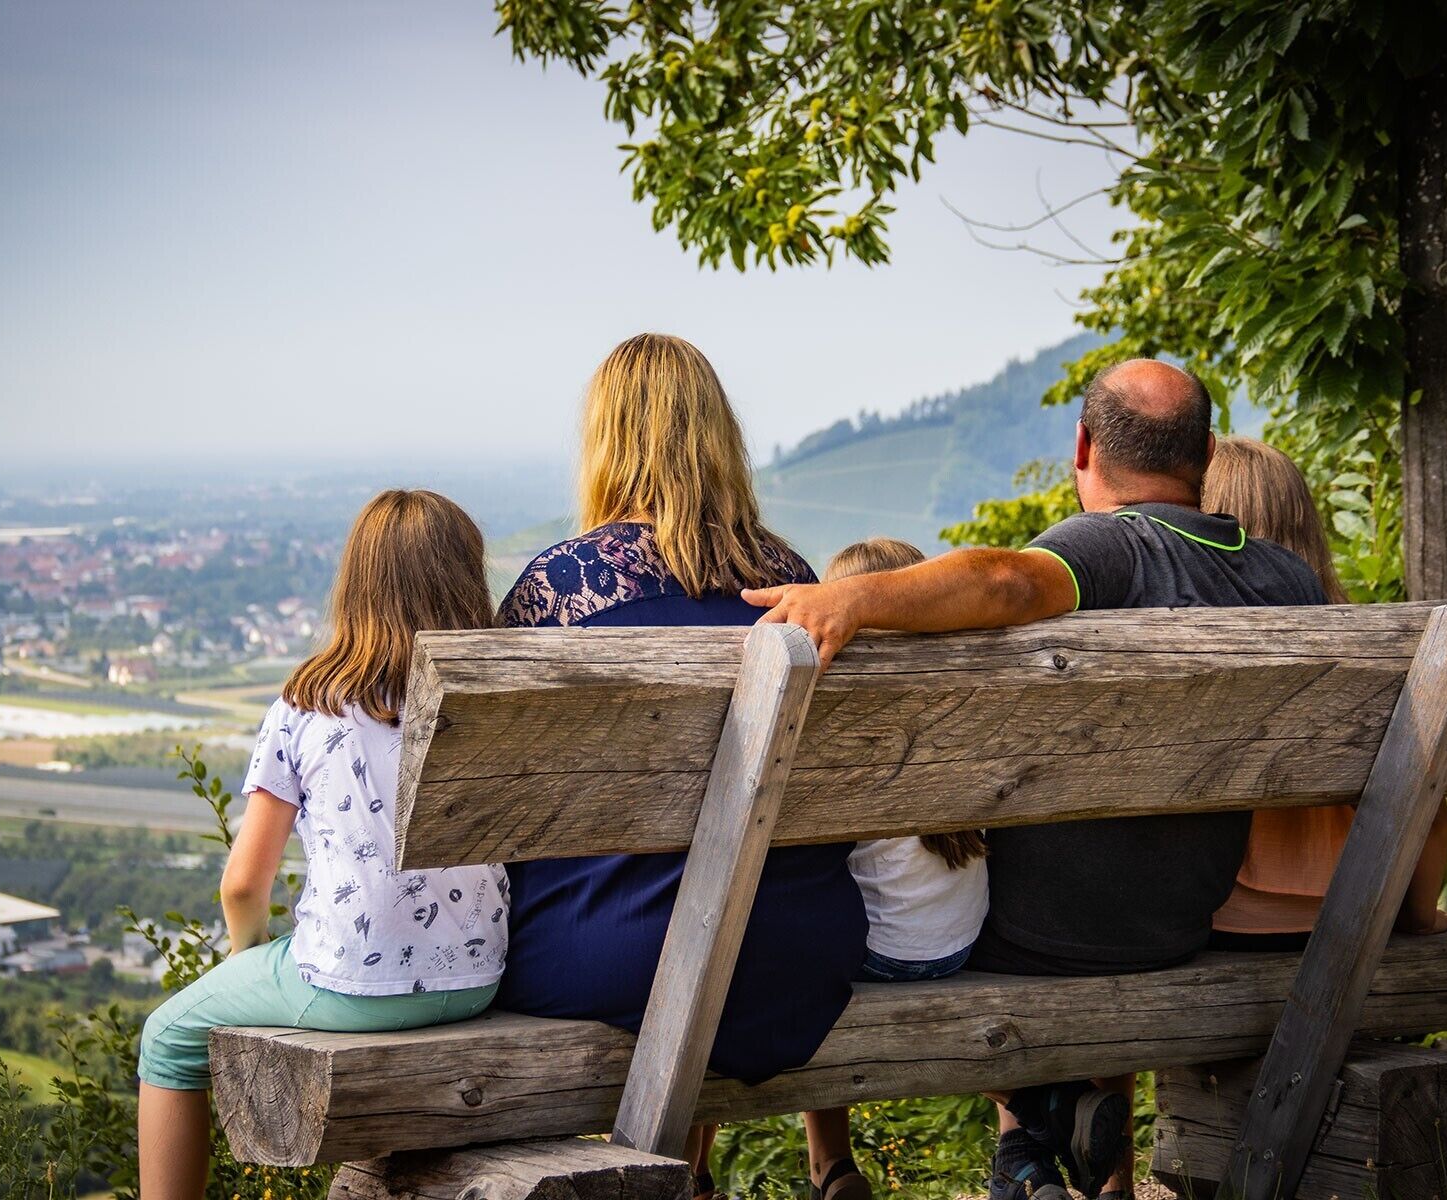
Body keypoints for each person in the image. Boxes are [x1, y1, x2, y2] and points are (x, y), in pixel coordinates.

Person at [743, 359, 1330, 1200]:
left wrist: (856, 601)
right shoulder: (1289, 580)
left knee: (929, 887)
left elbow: (1007, 579)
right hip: (1176, 923)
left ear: (1084, 446)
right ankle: (1048, 1132)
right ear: (1204, 454)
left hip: (1036, 933)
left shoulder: (1116, 545)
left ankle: (1031, 1129)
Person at [495, 333, 868, 1200]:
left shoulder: (558, 591)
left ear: (607, 442)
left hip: (620, 960)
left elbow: (500, 817)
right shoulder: (793, 584)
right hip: (795, 954)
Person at [136, 490, 508, 1200]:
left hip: (348, 983)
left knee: (165, 1039)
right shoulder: (490, 695)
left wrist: (250, 963)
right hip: (476, 980)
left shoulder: (306, 705)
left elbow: (245, 884)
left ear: (357, 583)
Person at [1202, 436, 1447, 950]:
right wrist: (1421, 918)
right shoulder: (1380, 653)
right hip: (1354, 912)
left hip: (1223, 919)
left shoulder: (1202, 656)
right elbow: (1432, 806)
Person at [797, 537, 992, 1200]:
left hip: (888, 959)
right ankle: (1029, 1132)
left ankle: (831, 1161)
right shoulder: (962, 722)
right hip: (963, 946)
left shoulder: (850, 740)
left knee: (812, 936)